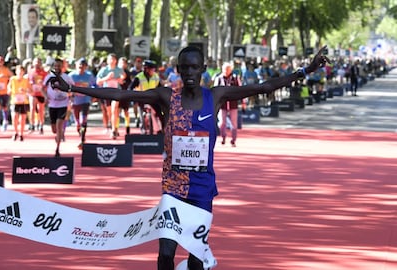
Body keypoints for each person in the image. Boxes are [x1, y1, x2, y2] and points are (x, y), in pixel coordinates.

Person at [48, 45, 328, 270]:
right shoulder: (166, 97)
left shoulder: (216, 96)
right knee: (166, 253)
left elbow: (265, 87)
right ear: (178, 70)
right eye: (185, 68)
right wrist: (72, 88)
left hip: (202, 189)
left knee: (195, 257)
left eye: (195, 67)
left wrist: (306, 69)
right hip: (173, 186)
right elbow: (122, 94)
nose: (190, 72)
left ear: (203, 69)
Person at [43, 58, 74, 157]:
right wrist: (45, 96)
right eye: (55, 66)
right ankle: (59, 134)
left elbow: (73, 88)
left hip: (63, 104)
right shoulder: (49, 77)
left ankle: (57, 149)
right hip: (52, 105)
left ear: (62, 67)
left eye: (59, 66)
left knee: (59, 125)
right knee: (54, 129)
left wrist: (70, 95)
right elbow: (42, 88)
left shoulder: (66, 77)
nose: (57, 68)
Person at [68, 58, 96, 149]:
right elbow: (67, 87)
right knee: (77, 123)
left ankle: (82, 139)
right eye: (79, 65)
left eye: (83, 66)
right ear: (76, 66)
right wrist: (70, 95)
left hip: (85, 100)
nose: (81, 67)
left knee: (83, 120)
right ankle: (80, 132)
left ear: (86, 67)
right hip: (75, 101)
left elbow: (95, 85)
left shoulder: (89, 75)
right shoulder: (71, 75)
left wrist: (94, 95)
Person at [128, 59, 162, 134]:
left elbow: (160, 87)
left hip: (152, 98)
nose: (153, 71)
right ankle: (143, 127)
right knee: (141, 112)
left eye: (154, 69)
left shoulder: (156, 76)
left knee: (160, 112)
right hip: (141, 98)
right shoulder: (139, 77)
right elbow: (130, 87)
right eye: (152, 69)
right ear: (146, 69)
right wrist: (131, 93)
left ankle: (160, 128)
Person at [96, 53, 124, 139]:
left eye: (113, 59)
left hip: (116, 92)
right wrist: (107, 78)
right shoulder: (104, 70)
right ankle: (113, 126)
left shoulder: (119, 70)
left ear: (116, 61)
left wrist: (120, 80)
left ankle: (113, 130)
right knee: (109, 112)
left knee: (114, 109)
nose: (111, 61)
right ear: (107, 61)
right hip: (107, 92)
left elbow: (123, 79)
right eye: (110, 59)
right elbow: (98, 82)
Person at [213, 61, 241, 147]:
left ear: (231, 70)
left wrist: (242, 102)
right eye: (224, 69)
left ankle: (233, 140)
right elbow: (215, 91)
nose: (225, 71)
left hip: (233, 103)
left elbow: (240, 90)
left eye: (227, 69)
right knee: (222, 122)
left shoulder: (235, 78)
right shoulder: (219, 78)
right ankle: (223, 137)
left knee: (234, 123)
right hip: (222, 104)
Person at [7, 65, 31, 141]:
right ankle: (15, 132)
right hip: (15, 101)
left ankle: (21, 134)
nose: (20, 73)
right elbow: (8, 87)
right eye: (18, 71)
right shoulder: (12, 79)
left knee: (23, 118)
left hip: (24, 101)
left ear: (24, 72)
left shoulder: (26, 80)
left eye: (21, 71)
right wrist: (9, 90)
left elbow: (30, 90)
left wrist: (25, 91)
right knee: (14, 117)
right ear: (16, 72)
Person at [27, 57, 48, 134]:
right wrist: (29, 90)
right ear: (33, 63)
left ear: (41, 63)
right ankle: (32, 125)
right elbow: (28, 82)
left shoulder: (44, 73)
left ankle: (41, 125)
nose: (37, 63)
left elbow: (47, 83)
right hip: (33, 93)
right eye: (35, 62)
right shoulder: (30, 72)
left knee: (41, 110)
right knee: (32, 108)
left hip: (41, 93)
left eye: (38, 62)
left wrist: (42, 84)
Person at [118, 57, 132, 135]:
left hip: (125, 94)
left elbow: (130, 84)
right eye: (121, 63)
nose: (123, 65)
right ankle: (116, 129)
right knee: (117, 111)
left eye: (124, 63)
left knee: (126, 111)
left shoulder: (128, 73)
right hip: (117, 94)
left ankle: (127, 128)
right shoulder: (116, 71)